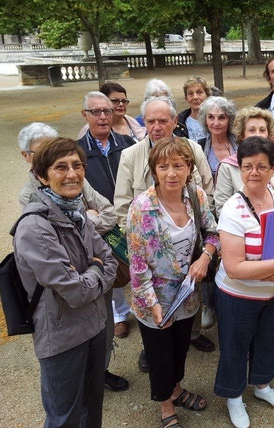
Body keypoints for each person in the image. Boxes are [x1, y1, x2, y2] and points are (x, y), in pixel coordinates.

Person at [13, 137, 117, 427]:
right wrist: (96, 270)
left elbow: (108, 257)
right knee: (65, 417)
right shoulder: (35, 226)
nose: (72, 174)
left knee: (92, 407)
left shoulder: (76, 211)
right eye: (61, 167)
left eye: (77, 166)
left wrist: (92, 270)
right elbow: (75, 291)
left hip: (94, 325)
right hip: (63, 335)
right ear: (41, 175)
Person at [214, 137, 274, 428]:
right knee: (235, 346)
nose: (254, 172)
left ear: (272, 168)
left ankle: (262, 386)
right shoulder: (232, 209)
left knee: (270, 341)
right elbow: (233, 267)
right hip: (237, 295)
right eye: (247, 166)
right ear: (239, 169)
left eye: (261, 166)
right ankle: (233, 396)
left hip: (273, 291)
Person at [126, 137, 219, 428]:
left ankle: (176, 388)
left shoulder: (196, 196)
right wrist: (152, 305)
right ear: (154, 170)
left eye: (178, 165)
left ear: (189, 167)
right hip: (154, 298)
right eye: (163, 166)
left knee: (180, 350)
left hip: (188, 295)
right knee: (159, 355)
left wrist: (204, 257)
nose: (171, 173)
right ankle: (166, 405)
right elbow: (137, 266)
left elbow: (213, 233)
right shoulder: (141, 207)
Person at [114, 96, 216, 357]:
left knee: (189, 292)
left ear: (174, 121)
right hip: (150, 250)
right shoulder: (130, 155)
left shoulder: (193, 149)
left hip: (189, 236)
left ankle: (191, 333)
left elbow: (206, 189)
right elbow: (123, 204)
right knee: (157, 323)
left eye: (163, 120)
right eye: (150, 121)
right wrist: (142, 235)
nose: (157, 126)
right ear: (144, 123)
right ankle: (153, 346)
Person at [77, 91, 132, 390]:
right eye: (95, 111)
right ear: (84, 115)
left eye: (107, 111)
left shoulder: (128, 144)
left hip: (128, 224)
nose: (102, 117)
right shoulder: (76, 152)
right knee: (104, 296)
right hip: (97, 236)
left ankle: (150, 346)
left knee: (140, 281)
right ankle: (100, 367)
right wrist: (97, 215)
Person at [214, 106, 274, 217]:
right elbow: (221, 208)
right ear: (242, 135)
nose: (258, 134)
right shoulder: (227, 167)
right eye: (252, 130)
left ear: (268, 135)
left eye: (262, 130)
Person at [78, 82, 146, 142]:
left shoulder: (132, 122)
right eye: (115, 101)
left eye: (124, 101)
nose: (121, 104)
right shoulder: (88, 130)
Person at [197, 96, 238, 180]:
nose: (216, 123)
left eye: (221, 117)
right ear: (205, 120)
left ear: (230, 120)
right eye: (211, 117)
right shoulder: (200, 146)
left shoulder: (240, 143)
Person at [174, 76, 211, 141]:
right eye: (190, 94)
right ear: (186, 98)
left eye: (199, 92)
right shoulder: (179, 122)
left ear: (207, 95)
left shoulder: (216, 119)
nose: (195, 97)